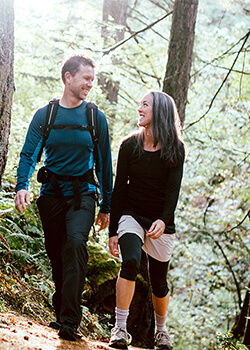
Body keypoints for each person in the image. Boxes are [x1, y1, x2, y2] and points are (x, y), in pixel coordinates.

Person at [14, 54, 113, 342]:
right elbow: (29, 153)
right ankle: (60, 310)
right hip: (52, 196)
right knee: (57, 255)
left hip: (83, 195)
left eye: (93, 80)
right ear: (68, 77)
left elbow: (105, 166)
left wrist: (106, 206)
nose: (90, 85)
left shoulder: (96, 118)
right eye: (86, 78)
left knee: (75, 244)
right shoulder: (46, 115)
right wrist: (22, 185)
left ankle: (70, 321)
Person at [108, 91, 185, 350]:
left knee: (159, 282)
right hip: (131, 214)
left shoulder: (176, 149)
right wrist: (112, 230)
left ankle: (161, 332)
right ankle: (119, 329)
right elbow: (119, 190)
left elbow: (173, 190)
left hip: (160, 221)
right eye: (139, 103)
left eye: (145, 105)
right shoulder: (129, 145)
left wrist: (164, 220)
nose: (139, 108)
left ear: (160, 112)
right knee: (129, 262)